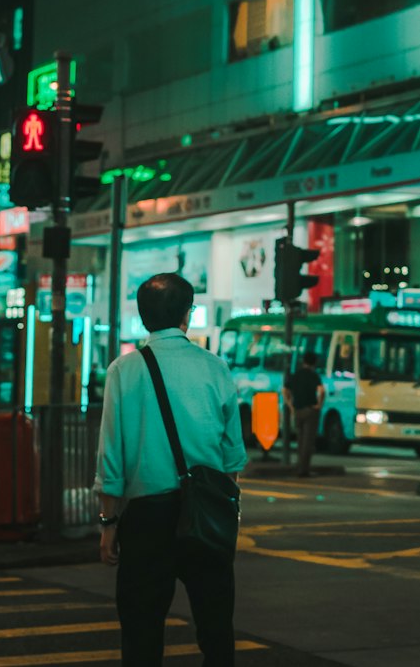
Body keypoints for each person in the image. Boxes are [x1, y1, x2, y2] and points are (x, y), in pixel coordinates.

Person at [96, 273, 246, 667]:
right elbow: (232, 458)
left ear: (144, 317)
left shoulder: (123, 371)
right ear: (188, 314)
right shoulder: (215, 368)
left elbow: (111, 455)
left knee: (142, 628)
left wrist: (109, 523)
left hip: (147, 516)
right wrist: (225, 511)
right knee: (215, 626)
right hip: (206, 511)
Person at [284, 351, 325, 478]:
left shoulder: (296, 374)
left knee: (300, 440)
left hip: (297, 410)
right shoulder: (314, 375)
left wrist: (290, 406)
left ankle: (299, 467)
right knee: (308, 442)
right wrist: (319, 404)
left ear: (303, 361)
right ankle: (303, 470)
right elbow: (322, 391)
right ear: (314, 363)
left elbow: (285, 390)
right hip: (310, 410)